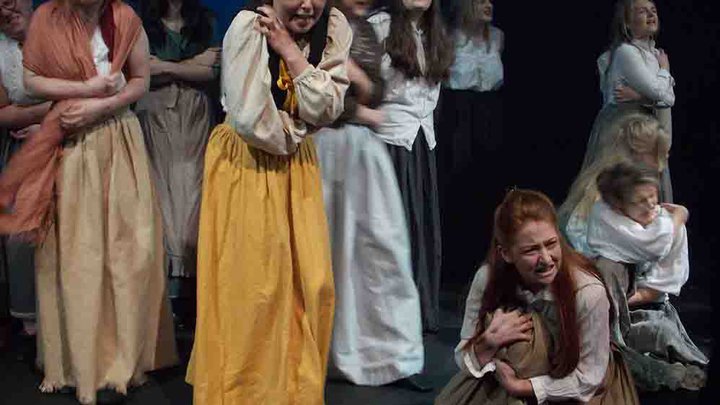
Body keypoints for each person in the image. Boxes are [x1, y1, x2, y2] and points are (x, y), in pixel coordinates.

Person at [6, 0, 178, 402]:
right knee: (75, 251)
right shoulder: (49, 17)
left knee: (124, 250)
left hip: (117, 137)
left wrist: (100, 105)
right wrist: (86, 90)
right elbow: (31, 79)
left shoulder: (124, 17)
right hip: (68, 144)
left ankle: (121, 358)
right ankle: (73, 359)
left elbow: (140, 81)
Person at [185, 0, 351, 402]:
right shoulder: (248, 26)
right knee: (255, 289)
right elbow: (252, 120)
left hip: (297, 167)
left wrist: (291, 53)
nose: (308, 4)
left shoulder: (333, 26)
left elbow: (329, 106)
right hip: (247, 162)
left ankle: (294, 389)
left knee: (312, 284)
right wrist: (302, 127)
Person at [313, 0, 426, 389]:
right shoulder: (320, 22)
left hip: (361, 152)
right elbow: (313, 93)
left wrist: (361, 87)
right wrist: (360, 105)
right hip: (324, 146)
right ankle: (328, 348)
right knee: (329, 250)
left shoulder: (362, 26)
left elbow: (375, 89)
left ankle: (389, 354)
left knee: (379, 249)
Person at [436, 189, 639, 404]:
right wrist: (488, 342)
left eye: (551, 244)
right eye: (531, 250)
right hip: (510, 372)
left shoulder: (588, 292)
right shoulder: (487, 279)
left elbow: (589, 378)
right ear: (506, 253)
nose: (546, 259)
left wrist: (521, 387)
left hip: (574, 387)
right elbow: (464, 353)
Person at [367, 0, 454, 333]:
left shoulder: (434, 32)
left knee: (419, 227)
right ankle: (385, 319)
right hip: (388, 140)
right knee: (392, 231)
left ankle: (418, 311)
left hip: (420, 140)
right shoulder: (380, 26)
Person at [586, 162, 708, 391]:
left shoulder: (653, 231)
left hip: (632, 313)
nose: (651, 204)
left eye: (653, 196)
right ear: (619, 208)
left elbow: (650, 289)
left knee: (665, 331)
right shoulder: (609, 259)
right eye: (640, 201)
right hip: (610, 334)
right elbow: (654, 245)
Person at [137, 0, 220, 328]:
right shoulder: (143, 24)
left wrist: (165, 67)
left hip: (196, 116)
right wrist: (189, 67)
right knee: (162, 197)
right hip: (155, 116)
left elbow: (212, 68)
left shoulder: (205, 21)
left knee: (193, 197)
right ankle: (166, 294)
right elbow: (140, 72)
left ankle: (192, 291)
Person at [438, 0, 504, 279]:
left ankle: (485, 265)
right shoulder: (449, 37)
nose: (488, 5)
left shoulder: (498, 37)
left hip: (489, 118)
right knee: (456, 186)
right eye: (480, 1)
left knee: (487, 189)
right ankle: (454, 267)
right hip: (457, 119)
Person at [583, 0, 674, 202]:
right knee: (624, 194)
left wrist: (641, 97)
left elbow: (669, 98)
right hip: (626, 135)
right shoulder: (626, 53)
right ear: (627, 22)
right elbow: (661, 94)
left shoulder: (656, 55)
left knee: (648, 199)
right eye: (642, 11)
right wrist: (664, 70)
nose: (651, 15)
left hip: (647, 135)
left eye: (653, 10)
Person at [0, 0, 50, 356]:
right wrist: (30, 119)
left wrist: (41, 121)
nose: (7, 7)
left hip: (69, 141)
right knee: (20, 234)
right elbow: (3, 114)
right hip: (23, 154)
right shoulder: (0, 52)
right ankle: (32, 322)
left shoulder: (56, 35)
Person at [559, 113, 670, 256]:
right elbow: (650, 245)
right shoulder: (605, 193)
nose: (665, 159)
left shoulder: (635, 187)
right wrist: (677, 220)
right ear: (639, 154)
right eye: (659, 153)